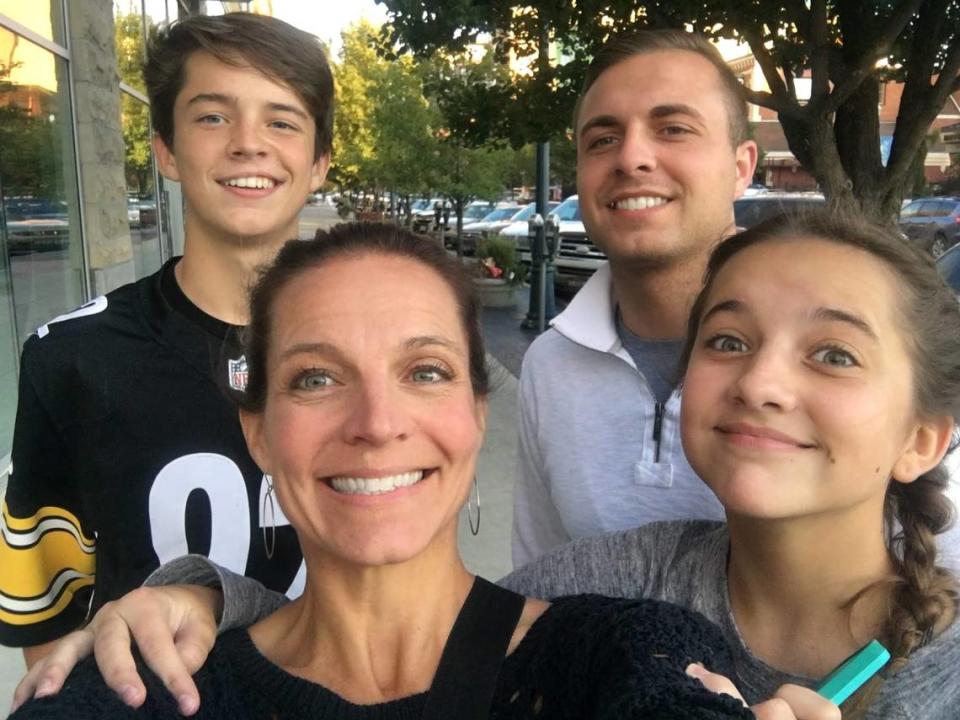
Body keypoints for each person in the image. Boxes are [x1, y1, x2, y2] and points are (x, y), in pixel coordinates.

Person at [17, 212, 957, 720]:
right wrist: (194, 597)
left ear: (474, 412)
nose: (379, 422)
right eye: (314, 379)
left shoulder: (625, 643)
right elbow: (399, 617)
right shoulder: (626, 574)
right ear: (255, 430)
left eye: (423, 371)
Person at [0, 11, 333, 672]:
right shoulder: (72, 359)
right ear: (166, 149)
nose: (247, 143)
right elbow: (49, 617)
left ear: (319, 162)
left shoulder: (380, 351)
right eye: (213, 117)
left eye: (282, 120)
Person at [510, 30, 752, 566]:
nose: (632, 158)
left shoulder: (835, 356)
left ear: (741, 168)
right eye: (602, 139)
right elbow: (539, 582)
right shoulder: (550, 367)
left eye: (673, 129)